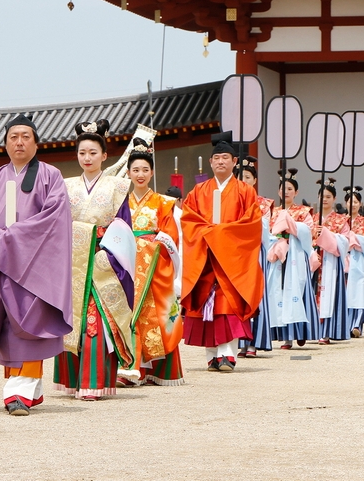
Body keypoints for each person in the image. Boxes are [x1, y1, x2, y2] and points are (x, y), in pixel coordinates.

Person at [0, 114, 73, 415]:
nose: (20, 142)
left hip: (34, 266)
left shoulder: (51, 177)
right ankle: (29, 388)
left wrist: (15, 239)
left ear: (37, 143)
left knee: (31, 322)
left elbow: (54, 219)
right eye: (14, 137)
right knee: (8, 325)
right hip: (0, 264)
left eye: (26, 136)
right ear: (5, 143)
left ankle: (17, 392)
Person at [54, 119, 135, 399]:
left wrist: (109, 255)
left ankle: (94, 382)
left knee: (97, 319)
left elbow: (123, 226)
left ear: (104, 156)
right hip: (72, 259)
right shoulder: (65, 186)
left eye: (92, 153)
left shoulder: (118, 187)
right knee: (71, 319)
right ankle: (72, 380)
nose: (87, 158)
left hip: (103, 258)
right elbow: (56, 223)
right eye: (82, 153)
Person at [181, 133, 262, 372]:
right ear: (210, 162)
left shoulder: (246, 191)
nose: (220, 162)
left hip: (232, 260)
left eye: (225, 157)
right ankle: (211, 355)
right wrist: (208, 234)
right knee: (207, 307)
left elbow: (251, 223)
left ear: (234, 162)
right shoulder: (198, 191)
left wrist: (222, 235)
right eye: (216, 158)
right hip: (205, 257)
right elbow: (188, 220)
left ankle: (227, 353)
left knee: (228, 305)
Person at [117, 138, 184, 387]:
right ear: (128, 173)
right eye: (135, 169)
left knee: (158, 314)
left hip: (155, 263)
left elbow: (170, 235)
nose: (140, 174)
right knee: (128, 313)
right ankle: (131, 368)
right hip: (127, 263)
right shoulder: (120, 202)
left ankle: (156, 369)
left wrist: (150, 247)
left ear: (152, 172)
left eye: (145, 169)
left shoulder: (163, 203)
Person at [268, 169, 320, 350]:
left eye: (290, 189)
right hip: (278, 256)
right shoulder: (273, 211)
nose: (286, 192)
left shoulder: (303, 212)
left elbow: (308, 232)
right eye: (283, 188)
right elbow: (268, 233)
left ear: (296, 192)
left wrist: (291, 227)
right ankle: (286, 337)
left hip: (296, 255)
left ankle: (301, 331)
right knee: (280, 293)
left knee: (297, 292)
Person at [236, 156, 273, 359]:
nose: (244, 181)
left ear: (254, 180)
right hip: (237, 254)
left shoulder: (263, 204)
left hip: (256, 252)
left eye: (248, 177)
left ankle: (255, 342)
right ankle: (240, 341)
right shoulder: (231, 201)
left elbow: (265, 233)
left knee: (256, 296)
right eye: (240, 177)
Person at [315, 178, 351, 345]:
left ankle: (327, 331)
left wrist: (327, 235)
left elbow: (345, 241)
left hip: (331, 262)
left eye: (328, 196)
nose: (325, 199)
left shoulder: (341, 220)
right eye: (322, 196)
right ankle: (313, 329)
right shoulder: (312, 218)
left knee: (329, 294)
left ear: (334, 199)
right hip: (315, 261)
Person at [344, 186, 364, 339]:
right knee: (346, 291)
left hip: (360, 259)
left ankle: (356, 324)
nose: (353, 205)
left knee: (359, 291)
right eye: (350, 202)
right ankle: (345, 324)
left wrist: (355, 241)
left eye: (356, 202)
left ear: (360, 204)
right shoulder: (341, 221)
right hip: (345, 257)